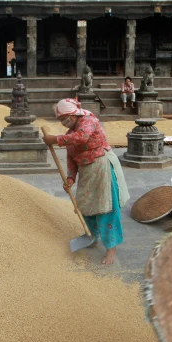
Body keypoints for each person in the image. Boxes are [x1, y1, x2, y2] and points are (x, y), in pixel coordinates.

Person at [42, 98, 130, 265]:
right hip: (86, 172)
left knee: (105, 207)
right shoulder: (69, 134)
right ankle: (92, 237)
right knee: (86, 206)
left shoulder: (89, 120)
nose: (63, 122)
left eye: (63, 118)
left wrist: (55, 139)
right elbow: (71, 159)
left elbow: (82, 137)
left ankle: (111, 249)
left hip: (101, 168)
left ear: (72, 115)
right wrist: (70, 178)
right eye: (60, 120)